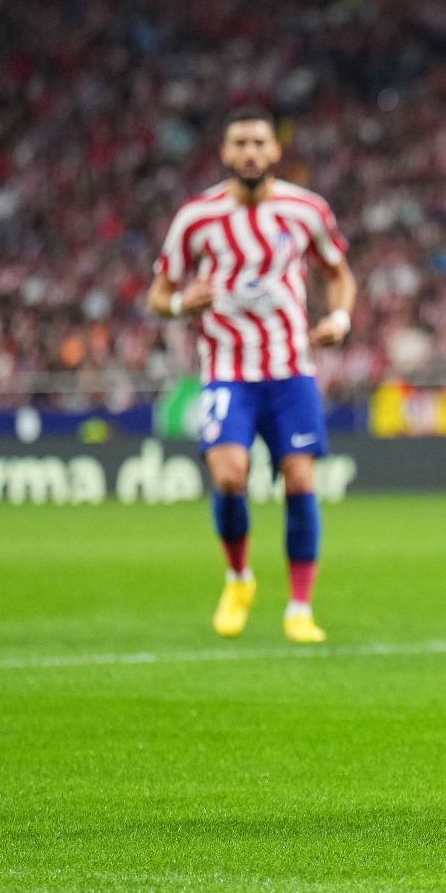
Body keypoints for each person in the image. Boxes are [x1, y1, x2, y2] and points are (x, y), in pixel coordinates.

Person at [147, 106, 356, 644]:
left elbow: (339, 275)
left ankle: (299, 608)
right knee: (229, 476)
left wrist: (339, 317)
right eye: (239, 142)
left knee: (302, 480)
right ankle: (239, 577)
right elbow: (159, 293)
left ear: (274, 151)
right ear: (224, 152)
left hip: (291, 368)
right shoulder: (197, 218)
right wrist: (178, 306)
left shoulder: (306, 210)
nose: (249, 152)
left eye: (258, 142)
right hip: (226, 370)